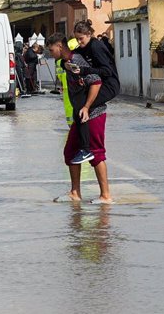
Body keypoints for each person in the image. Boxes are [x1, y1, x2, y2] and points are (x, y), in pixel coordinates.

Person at [47, 33, 113, 205]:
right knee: (70, 151)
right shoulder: (65, 62)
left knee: (96, 153)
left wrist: (86, 106)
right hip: (80, 116)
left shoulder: (78, 60)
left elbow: (96, 82)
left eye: (51, 49)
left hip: (94, 113)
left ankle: (106, 196)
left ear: (60, 46)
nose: (50, 53)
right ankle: (75, 193)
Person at [69, 19, 120, 164]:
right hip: (103, 83)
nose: (79, 42)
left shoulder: (96, 47)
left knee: (82, 106)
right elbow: (74, 54)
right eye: (77, 39)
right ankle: (83, 146)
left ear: (89, 34)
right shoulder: (83, 47)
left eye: (81, 39)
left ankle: (86, 150)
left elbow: (106, 71)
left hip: (110, 85)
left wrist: (85, 70)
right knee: (78, 107)